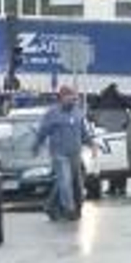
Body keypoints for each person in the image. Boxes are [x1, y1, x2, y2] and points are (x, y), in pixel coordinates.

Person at [34, 85, 94, 221]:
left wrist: (92, 145)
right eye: (69, 97)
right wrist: (36, 146)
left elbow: (83, 132)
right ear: (61, 98)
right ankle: (69, 209)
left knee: (73, 183)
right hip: (59, 154)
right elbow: (43, 132)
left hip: (75, 154)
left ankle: (50, 206)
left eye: (74, 97)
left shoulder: (78, 113)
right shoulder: (52, 113)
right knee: (65, 181)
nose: (73, 100)